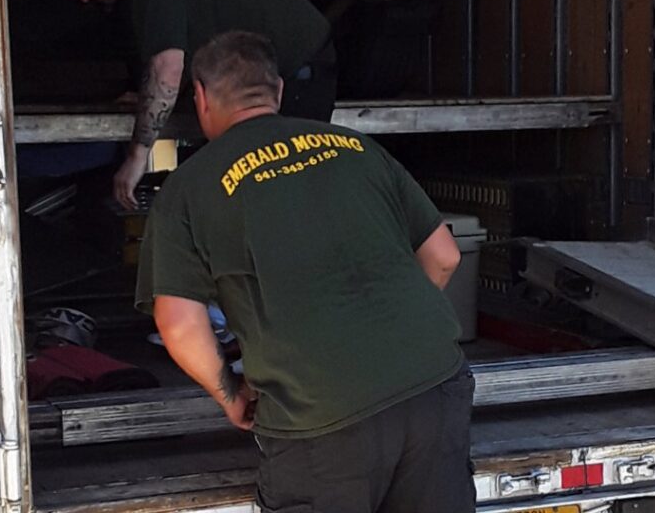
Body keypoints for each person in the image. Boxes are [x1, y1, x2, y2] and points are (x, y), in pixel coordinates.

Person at [136, 30, 475, 513]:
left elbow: (178, 323)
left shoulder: (188, 188)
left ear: (201, 96)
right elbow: (444, 255)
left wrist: (230, 395)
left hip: (320, 419)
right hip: (434, 386)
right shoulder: (354, 146)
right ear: (276, 90)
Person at [38, 0, 336, 209]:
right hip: (282, 74)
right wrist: (148, 101)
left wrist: (137, 157)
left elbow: (168, 66)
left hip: (296, 76)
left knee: (276, 205)